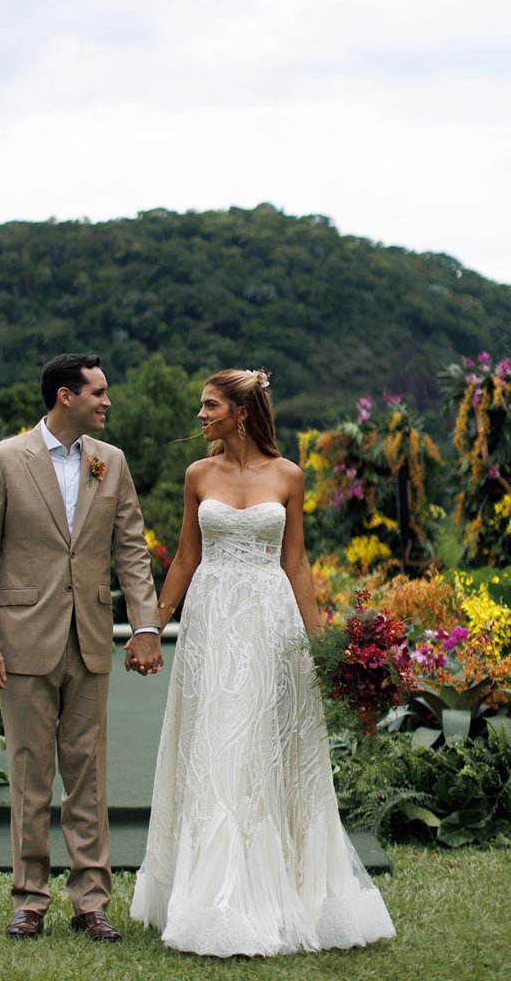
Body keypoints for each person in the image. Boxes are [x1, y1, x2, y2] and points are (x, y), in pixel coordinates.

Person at [129, 368, 396, 956]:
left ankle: (280, 891)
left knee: (266, 748)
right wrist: (151, 624)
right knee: (217, 745)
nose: (199, 416)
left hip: (270, 622)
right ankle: (211, 896)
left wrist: (321, 645)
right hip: (211, 625)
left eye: (208, 406)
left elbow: (296, 563)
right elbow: (183, 559)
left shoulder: (289, 476)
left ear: (240, 412)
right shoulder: (198, 474)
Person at [0, 353, 163, 943]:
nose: (108, 401)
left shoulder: (112, 462)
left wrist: (146, 624)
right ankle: (29, 900)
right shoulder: (2, 460)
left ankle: (91, 902)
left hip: (92, 637)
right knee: (29, 775)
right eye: (99, 392)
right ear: (64, 396)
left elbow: (131, 548)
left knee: (90, 777)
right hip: (22, 639)